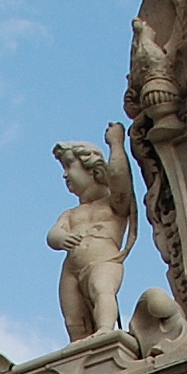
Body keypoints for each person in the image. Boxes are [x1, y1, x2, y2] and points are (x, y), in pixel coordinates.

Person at [47, 127, 137, 342]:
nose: (64, 174)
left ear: (93, 169)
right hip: (70, 270)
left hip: (104, 261)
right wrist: (60, 238)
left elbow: (120, 178)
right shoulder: (71, 213)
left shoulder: (114, 204)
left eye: (69, 166)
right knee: (73, 317)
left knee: (102, 289)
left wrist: (116, 144)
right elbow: (53, 234)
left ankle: (105, 329)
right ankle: (79, 347)